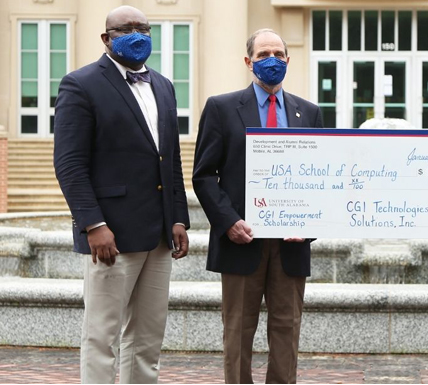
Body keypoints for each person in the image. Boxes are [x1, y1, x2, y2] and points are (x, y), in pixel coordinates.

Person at [53, 5, 190, 384]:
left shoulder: (163, 85)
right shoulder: (80, 84)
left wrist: (178, 217)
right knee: (102, 336)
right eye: (125, 29)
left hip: (159, 234)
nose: (136, 34)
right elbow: (69, 164)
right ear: (106, 38)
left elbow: (170, 159)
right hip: (110, 235)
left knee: (147, 340)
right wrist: (93, 224)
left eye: (143, 28)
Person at [192, 29, 323, 384]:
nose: (273, 60)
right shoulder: (221, 108)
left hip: (291, 245)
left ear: (289, 61)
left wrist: (308, 224)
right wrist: (229, 222)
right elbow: (203, 176)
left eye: (279, 54)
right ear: (248, 62)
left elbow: (321, 179)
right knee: (237, 331)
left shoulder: (308, 113)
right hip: (241, 240)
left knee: (286, 330)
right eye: (264, 53)